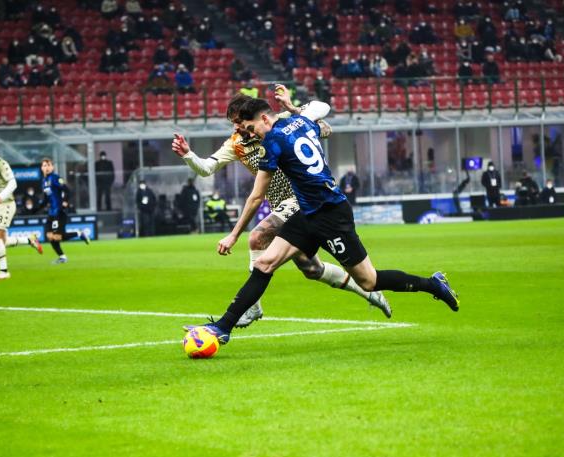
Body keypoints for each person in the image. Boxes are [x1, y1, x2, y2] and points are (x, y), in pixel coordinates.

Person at [183, 98, 459, 345]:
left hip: (331, 215)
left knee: (369, 280)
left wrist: (233, 235)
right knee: (265, 263)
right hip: (306, 213)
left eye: (251, 128)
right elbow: (320, 107)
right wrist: (293, 106)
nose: (250, 134)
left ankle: (432, 284)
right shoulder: (302, 121)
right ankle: (223, 327)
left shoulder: (272, 143)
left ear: (265, 118)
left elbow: (256, 197)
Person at [172, 90, 389, 328]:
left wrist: (297, 111)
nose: (236, 127)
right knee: (312, 269)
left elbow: (325, 128)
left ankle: (252, 309)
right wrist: (188, 154)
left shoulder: (281, 122)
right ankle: (370, 291)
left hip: (301, 199)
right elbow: (206, 168)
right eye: (233, 123)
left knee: (257, 237)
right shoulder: (235, 144)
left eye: (238, 121)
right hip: (281, 206)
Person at [0, 137, 43, 280]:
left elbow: (13, 183)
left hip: (6, 203)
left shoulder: (0, 163)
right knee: (2, 240)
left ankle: (4, 272)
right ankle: (30, 240)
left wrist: (0, 196)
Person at [38, 158, 90, 264]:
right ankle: (62, 257)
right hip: (51, 213)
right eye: (44, 165)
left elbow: (67, 189)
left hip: (60, 212)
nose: (46, 167)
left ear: (52, 167)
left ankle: (79, 234)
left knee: (57, 237)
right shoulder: (44, 181)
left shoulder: (56, 178)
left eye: (48, 165)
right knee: (49, 236)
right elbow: (47, 198)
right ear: (41, 168)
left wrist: (65, 201)